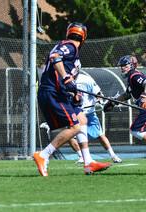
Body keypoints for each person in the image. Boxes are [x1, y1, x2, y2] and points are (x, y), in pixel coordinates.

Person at [34, 22, 112, 177]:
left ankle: (88, 163)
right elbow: (55, 57)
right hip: (53, 92)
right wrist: (67, 78)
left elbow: (66, 75)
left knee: (82, 119)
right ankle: (43, 155)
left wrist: (74, 93)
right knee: (75, 127)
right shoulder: (70, 46)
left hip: (60, 92)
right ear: (83, 37)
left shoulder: (72, 52)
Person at [69, 74, 122, 164]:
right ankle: (81, 156)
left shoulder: (86, 79)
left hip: (89, 112)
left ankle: (113, 155)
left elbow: (99, 94)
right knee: (70, 135)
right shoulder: (66, 79)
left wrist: (99, 101)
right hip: (75, 112)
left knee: (99, 134)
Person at [104, 55, 146, 141]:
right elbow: (127, 94)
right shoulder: (131, 78)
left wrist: (144, 96)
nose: (122, 68)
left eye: (125, 65)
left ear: (132, 65)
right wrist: (112, 102)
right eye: (121, 66)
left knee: (136, 130)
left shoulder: (134, 75)